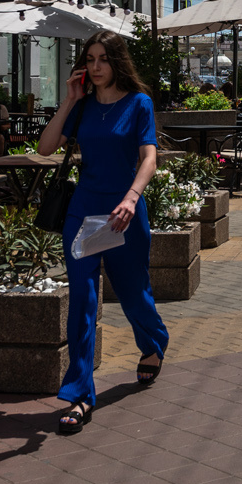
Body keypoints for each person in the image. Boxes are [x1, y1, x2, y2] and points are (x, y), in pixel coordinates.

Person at [36, 30, 169, 432]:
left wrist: (131, 198)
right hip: (83, 214)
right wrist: (70, 100)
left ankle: (153, 342)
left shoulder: (138, 103)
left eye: (103, 59)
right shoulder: (82, 106)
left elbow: (149, 158)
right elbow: (45, 149)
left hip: (124, 214)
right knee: (83, 300)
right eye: (89, 59)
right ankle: (79, 393)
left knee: (134, 295)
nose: (95, 67)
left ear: (117, 62)